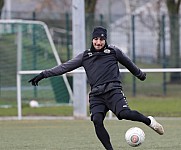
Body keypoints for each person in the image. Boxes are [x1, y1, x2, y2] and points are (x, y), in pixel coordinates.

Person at [29, 26, 164, 150]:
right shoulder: (85, 56)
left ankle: (149, 121)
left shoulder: (113, 52)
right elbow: (64, 67)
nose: (98, 42)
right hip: (96, 95)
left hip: (113, 91)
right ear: (92, 39)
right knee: (97, 121)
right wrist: (44, 74)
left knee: (125, 114)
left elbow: (129, 64)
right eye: (96, 39)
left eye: (101, 39)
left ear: (105, 40)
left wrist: (140, 74)